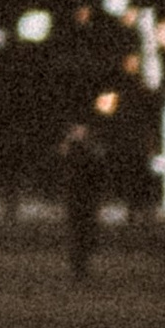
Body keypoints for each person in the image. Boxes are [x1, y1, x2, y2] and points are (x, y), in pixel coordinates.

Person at [57, 117, 105, 282]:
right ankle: (78, 267)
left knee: (86, 231)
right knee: (77, 232)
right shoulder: (71, 148)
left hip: (88, 197)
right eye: (77, 129)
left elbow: (98, 171)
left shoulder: (90, 148)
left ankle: (82, 265)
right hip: (75, 197)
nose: (80, 132)